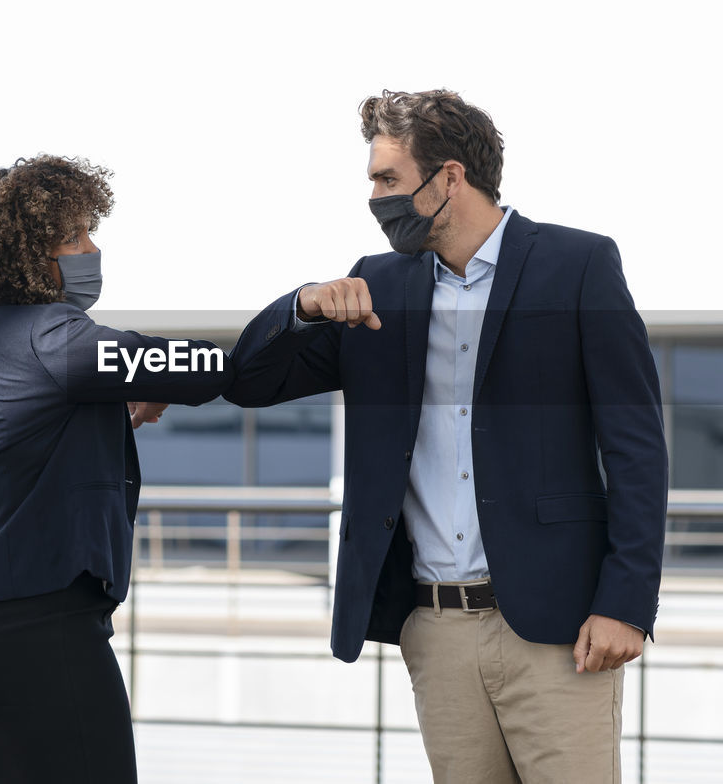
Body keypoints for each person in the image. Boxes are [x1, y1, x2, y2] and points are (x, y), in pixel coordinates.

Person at [225, 90, 667, 783]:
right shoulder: (375, 285)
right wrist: (302, 304)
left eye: (387, 179)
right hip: (434, 628)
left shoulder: (577, 266)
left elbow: (637, 447)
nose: (374, 197)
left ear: (450, 178)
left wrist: (626, 605)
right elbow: (248, 381)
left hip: (560, 630)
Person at [0, 153, 232, 784]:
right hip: (37, 627)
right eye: (75, 236)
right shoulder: (59, 338)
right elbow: (208, 368)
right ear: (29, 255)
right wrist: (303, 315)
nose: (92, 248)